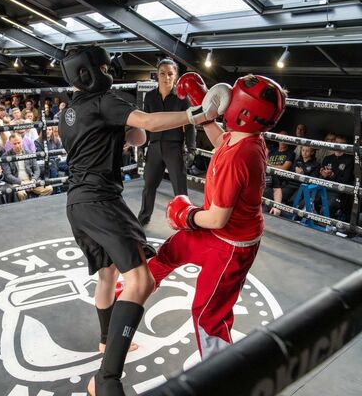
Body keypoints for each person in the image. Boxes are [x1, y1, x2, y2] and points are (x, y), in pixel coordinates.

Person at [57, 45, 228, 396]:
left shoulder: (67, 113)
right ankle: (104, 379)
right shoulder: (104, 101)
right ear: (92, 72)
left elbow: (136, 136)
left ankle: (107, 340)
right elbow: (147, 125)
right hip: (102, 200)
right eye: (105, 67)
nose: (111, 72)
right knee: (140, 281)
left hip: (76, 203)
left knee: (108, 275)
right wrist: (198, 113)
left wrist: (126, 127)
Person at [146, 73, 286, 360]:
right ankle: (131, 292)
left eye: (233, 99)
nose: (227, 101)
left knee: (208, 313)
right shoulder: (248, 138)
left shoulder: (239, 158)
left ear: (243, 112)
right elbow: (221, 139)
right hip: (217, 234)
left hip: (231, 245)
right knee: (170, 250)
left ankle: (220, 375)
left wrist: (185, 215)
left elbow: (216, 219)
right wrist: (204, 109)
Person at [137, 58, 197, 226]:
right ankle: (143, 217)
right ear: (157, 75)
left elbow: (190, 125)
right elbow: (144, 124)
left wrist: (191, 149)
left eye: (170, 74)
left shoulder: (183, 98)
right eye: (162, 73)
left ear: (176, 75)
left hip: (174, 147)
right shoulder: (149, 97)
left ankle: (185, 220)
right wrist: (142, 147)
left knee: (180, 189)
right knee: (148, 186)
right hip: (154, 147)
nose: (166, 77)